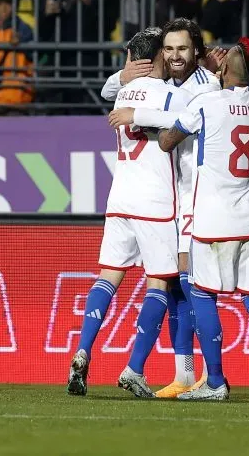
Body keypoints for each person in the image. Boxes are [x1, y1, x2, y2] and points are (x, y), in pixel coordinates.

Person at [154, 38, 249, 402]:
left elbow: (167, 141)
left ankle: (215, 381)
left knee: (202, 294)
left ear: (223, 69)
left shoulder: (206, 103)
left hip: (212, 219)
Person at [100, 18, 224, 398]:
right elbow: (109, 92)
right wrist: (123, 75)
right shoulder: (166, 82)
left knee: (194, 285)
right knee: (174, 284)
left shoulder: (207, 85)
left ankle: (210, 376)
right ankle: (184, 374)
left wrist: (136, 115)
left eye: (182, 49)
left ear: (196, 52)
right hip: (172, 194)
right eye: (168, 49)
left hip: (197, 193)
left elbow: (187, 120)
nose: (174, 56)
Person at [66, 27, 187, 398]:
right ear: (158, 57)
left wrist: (123, 77)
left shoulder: (122, 92)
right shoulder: (169, 95)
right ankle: (134, 368)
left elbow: (112, 88)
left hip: (119, 198)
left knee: (108, 278)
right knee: (159, 284)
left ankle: (83, 350)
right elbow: (191, 120)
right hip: (154, 200)